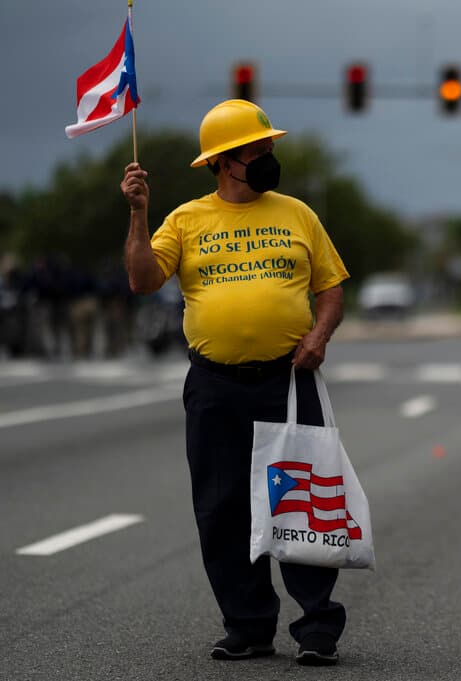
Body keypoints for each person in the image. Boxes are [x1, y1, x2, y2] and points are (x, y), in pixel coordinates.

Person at [120, 99, 350, 666]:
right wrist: (139, 214)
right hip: (215, 386)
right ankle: (247, 626)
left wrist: (319, 337)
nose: (271, 157)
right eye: (259, 149)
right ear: (225, 161)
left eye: (271, 147)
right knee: (221, 509)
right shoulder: (187, 219)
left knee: (302, 503)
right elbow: (143, 279)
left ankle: (317, 628)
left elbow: (331, 290)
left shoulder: (297, 214)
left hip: (287, 381)